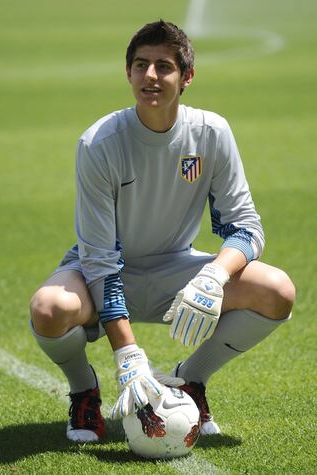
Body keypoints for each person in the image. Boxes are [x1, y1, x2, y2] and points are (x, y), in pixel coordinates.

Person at [29, 20, 295, 443]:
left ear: (186, 76)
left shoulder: (212, 133)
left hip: (178, 270)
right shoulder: (99, 142)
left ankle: (191, 380)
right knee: (48, 308)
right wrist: (128, 355)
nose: (150, 76)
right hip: (104, 273)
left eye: (163, 66)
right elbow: (98, 259)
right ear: (128, 72)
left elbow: (247, 228)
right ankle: (84, 391)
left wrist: (214, 275)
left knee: (277, 291)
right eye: (140, 65)